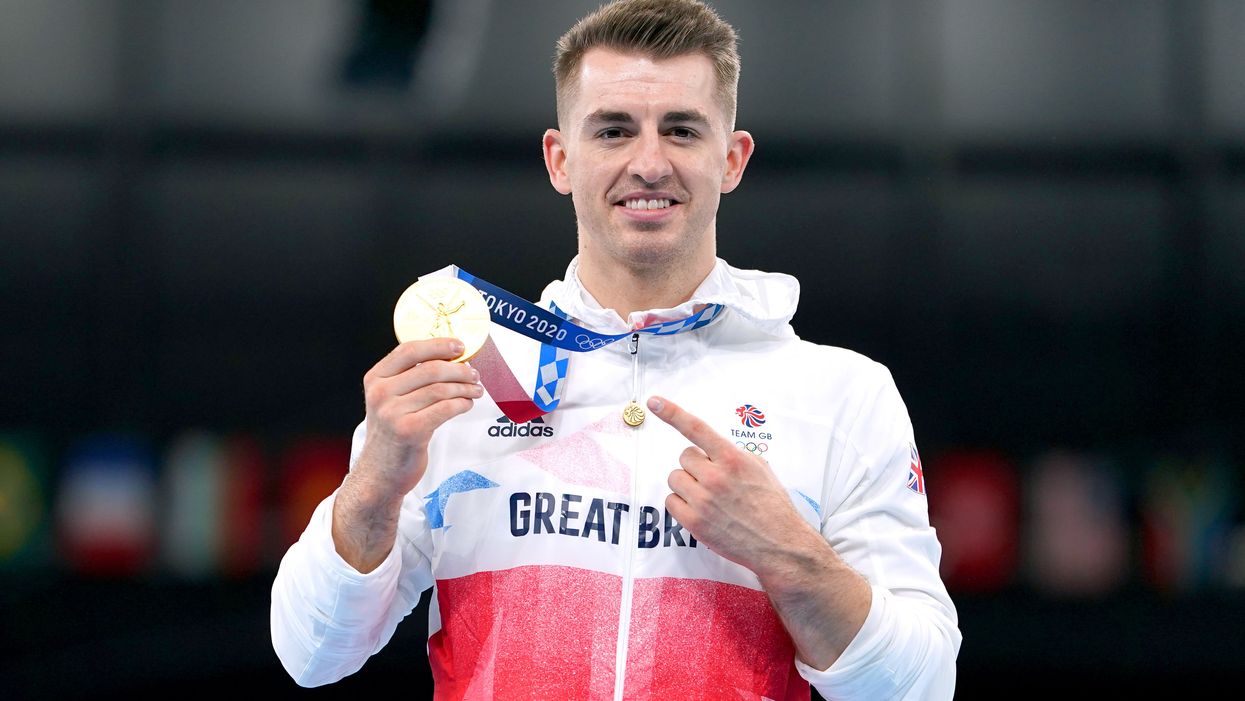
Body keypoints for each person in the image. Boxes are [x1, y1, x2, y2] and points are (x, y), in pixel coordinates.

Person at [270, 0, 961, 698]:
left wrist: (786, 552)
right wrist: (375, 482)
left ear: (731, 158)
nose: (650, 162)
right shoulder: (468, 376)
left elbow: (921, 685)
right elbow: (310, 652)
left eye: (682, 130)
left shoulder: (839, 394)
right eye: (613, 130)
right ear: (560, 159)